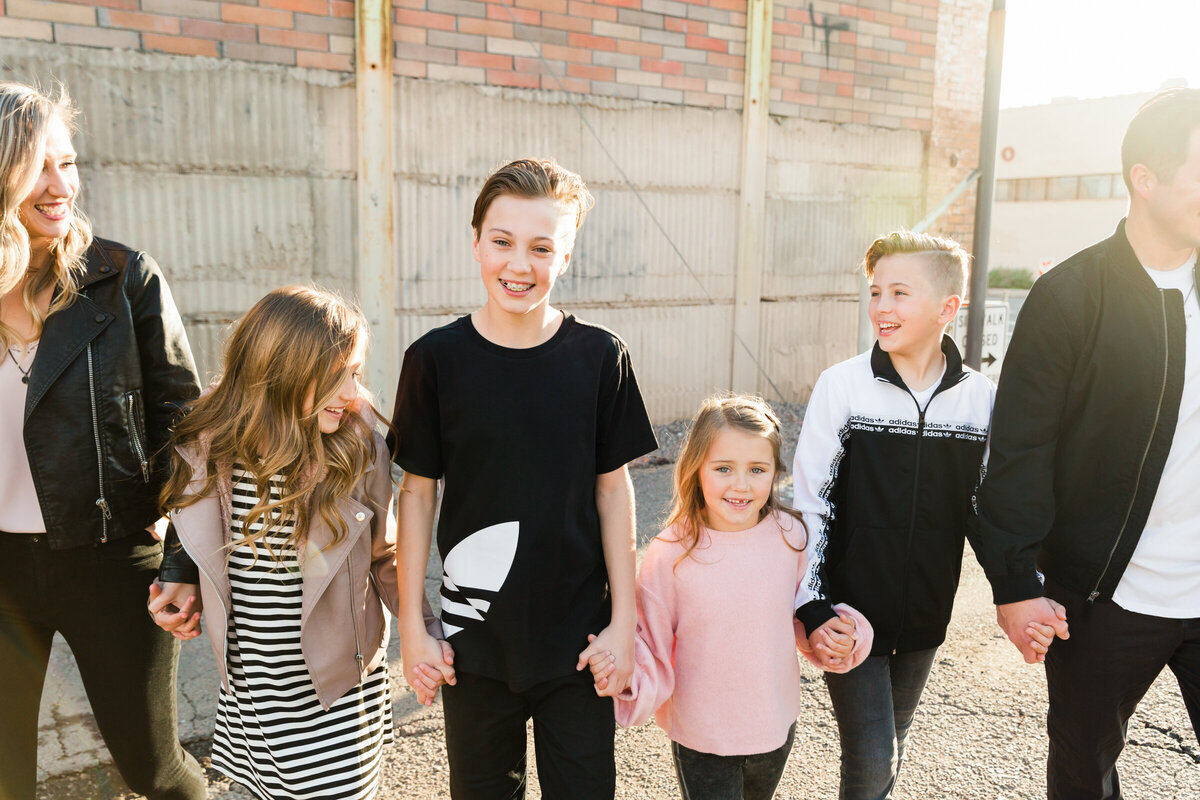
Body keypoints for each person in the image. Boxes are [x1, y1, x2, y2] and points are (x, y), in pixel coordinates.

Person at [391, 157, 659, 799]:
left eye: (542, 247)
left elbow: (613, 491)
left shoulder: (599, 357)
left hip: (579, 637)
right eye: (503, 242)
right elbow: (418, 494)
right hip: (473, 637)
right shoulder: (434, 360)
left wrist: (624, 622)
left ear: (565, 256)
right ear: (476, 241)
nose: (519, 264)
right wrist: (411, 627)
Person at [974, 87, 1200, 800]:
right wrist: (1014, 585)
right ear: (1146, 179)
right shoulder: (1071, 296)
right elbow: (1020, 451)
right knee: (1083, 772)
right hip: (1104, 597)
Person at [147, 285, 448, 800]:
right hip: (252, 685)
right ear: (279, 372)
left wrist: (424, 633)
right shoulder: (209, 448)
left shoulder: (357, 449)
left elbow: (386, 556)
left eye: (355, 372)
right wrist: (177, 581)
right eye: (339, 376)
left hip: (334, 688)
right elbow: (193, 533)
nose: (354, 392)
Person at [0, 81, 206, 800]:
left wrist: (183, 559)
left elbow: (189, 430)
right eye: (39, 166)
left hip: (112, 560)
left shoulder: (121, 281)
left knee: (153, 769)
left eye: (70, 162)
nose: (62, 186)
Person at [791, 231, 1015, 800]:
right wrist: (812, 604)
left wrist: (1021, 586)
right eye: (875, 292)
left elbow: (987, 509)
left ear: (948, 307)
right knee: (870, 760)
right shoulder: (842, 387)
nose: (881, 307)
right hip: (848, 612)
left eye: (899, 292)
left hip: (926, 615)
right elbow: (813, 500)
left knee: (895, 742)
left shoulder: (979, 399)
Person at [596, 393, 871, 800]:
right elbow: (649, 644)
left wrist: (841, 634)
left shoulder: (791, 536)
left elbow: (807, 614)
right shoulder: (671, 552)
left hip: (775, 725)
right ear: (696, 469)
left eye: (757, 469)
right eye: (723, 468)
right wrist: (623, 677)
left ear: (775, 473)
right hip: (702, 735)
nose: (741, 485)